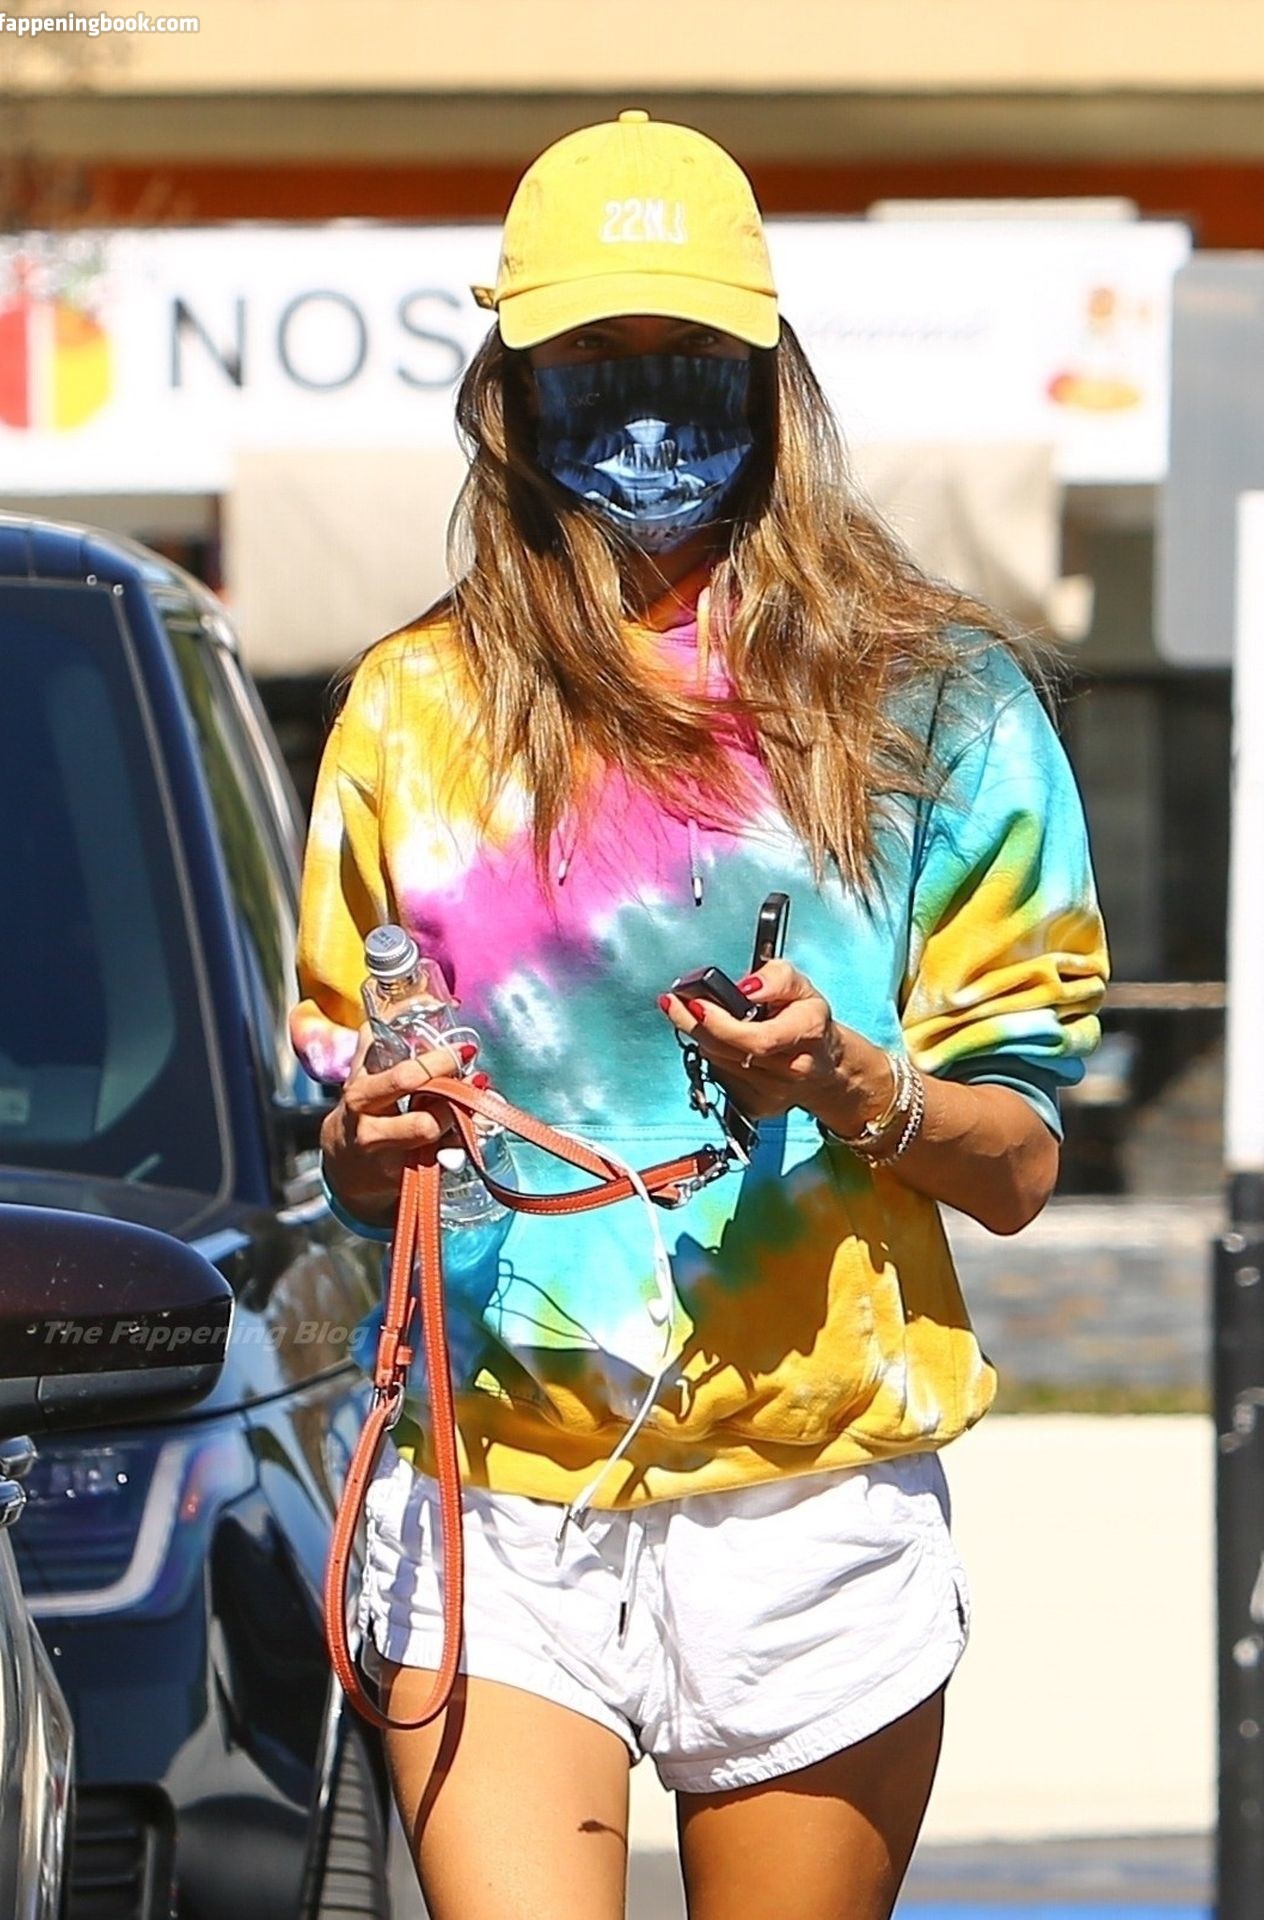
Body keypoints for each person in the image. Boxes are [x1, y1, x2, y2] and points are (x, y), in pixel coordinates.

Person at [290, 110, 1108, 1920]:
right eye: (593, 361)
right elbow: (339, 1149)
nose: (644, 415)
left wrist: (856, 1083)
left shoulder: (939, 704)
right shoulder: (409, 714)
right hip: (494, 1491)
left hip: (814, 1507)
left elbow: (1022, 1164)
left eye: (688, 362)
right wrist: (370, 1142)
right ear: (509, 395)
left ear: (772, 379)